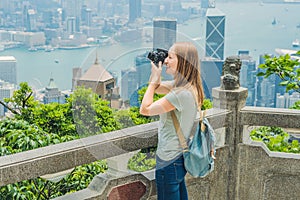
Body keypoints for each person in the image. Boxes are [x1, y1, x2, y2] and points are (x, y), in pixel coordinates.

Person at [140, 42, 204, 200]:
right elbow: (157, 87)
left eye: (170, 57)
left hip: (168, 161)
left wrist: (155, 79)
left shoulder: (180, 94)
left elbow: (145, 109)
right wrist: (156, 74)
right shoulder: (190, 87)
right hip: (179, 158)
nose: (166, 61)